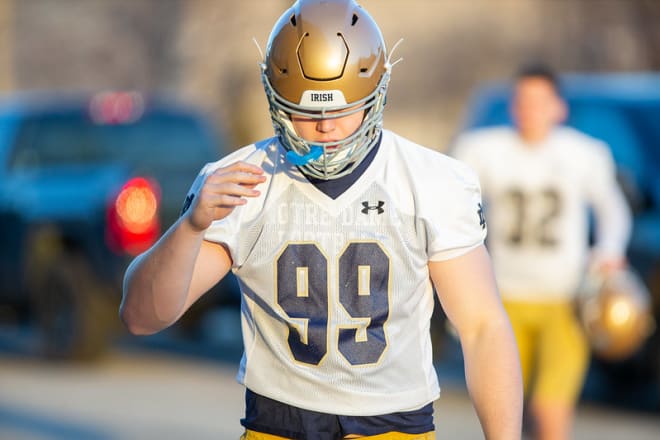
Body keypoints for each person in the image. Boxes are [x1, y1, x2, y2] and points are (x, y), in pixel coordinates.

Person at [120, 1, 522, 438]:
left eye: (343, 110)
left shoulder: (429, 181)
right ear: (276, 100)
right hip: (277, 426)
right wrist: (191, 227)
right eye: (308, 113)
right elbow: (142, 317)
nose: (326, 127)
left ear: (378, 94)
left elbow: (483, 328)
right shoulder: (243, 180)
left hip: (394, 427)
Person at [452, 64, 632, 440]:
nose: (530, 109)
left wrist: (609, 250)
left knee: (550, 411)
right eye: (523, 101)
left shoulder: (584, 153)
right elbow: (452, 206)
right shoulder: (484, 149)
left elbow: (612, 208)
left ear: (558, 108)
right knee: (504, 415)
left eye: (539, 101)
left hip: (563, 299)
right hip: (502, 299)